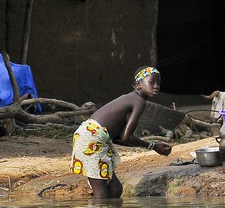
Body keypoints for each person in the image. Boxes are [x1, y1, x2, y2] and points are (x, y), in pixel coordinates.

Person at [70, 66, 173, 199]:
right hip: (91, 139)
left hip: (93, 137)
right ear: (139, 84)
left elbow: (119, 139)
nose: (156, 86)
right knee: (101, 192)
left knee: (115, 189)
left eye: (158, 83)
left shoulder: (133, 99)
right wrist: (153, 146)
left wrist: (150, 145)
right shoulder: (138, 101)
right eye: (151, 82)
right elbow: (126, 137)